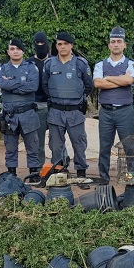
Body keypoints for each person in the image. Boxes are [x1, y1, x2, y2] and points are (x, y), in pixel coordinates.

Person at [42, 32, 93, 181]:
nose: (62, 47)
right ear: (56, 46)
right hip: (55, 111)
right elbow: (45, 85)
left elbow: (89, 85)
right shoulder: (49, 64)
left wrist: (77, 98)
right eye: (59, 44)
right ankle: (58, 173)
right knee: (55, 146)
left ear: (71, 45)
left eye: (65, 44)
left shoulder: (80, 64)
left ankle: (81, 173)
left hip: (75, 112)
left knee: (79, 144)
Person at [93, 26, 134, 183]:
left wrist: (108, 78)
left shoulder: (132, 64)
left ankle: (133, 177)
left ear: (124, 45)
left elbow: (129, 80)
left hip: (125, 111)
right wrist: (120, 79)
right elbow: (97, 83)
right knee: (104, 146)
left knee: (129, 145)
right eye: (113, 41)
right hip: (105, 111)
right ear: (109, 45)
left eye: (119, 41)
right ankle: (103, 178)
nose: (116, 44)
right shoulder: (100, 64)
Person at [0, 38, 41, 176]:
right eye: (12, 49)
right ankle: (11, 174)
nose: (15, 51)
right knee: (10, 148)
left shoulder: (32, 68)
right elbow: (2, 84)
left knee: (32, 147)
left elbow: (33, 86)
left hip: (28, 114)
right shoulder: (2, 69)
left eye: (18, 49)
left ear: (23, 52)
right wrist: (22, 84)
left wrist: (11, 85)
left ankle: (33, 174)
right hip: (10, 115)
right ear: (8, 52)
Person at [26, 31, 69, 167]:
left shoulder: (54, 61)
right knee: (37, 140)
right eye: (37, 43)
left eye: (42, 43)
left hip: (55, 105)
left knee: (56, 139)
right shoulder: (28, 63)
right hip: (36, 105)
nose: (40, 45)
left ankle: (61, 164)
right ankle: (38, 168)